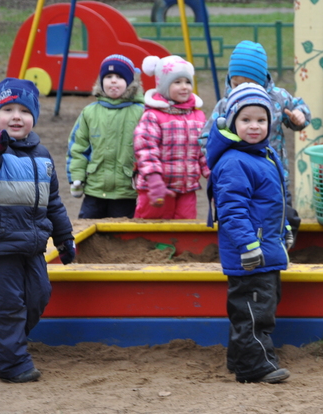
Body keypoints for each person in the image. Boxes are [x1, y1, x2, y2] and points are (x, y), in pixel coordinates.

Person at [0, 78, 75, 383]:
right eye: (8, 109)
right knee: (8, 305)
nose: (16, 116)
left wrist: (65, 238)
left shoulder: (42, 155)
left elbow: (53, 202)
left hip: (31, 244)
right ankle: (11, 364)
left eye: (24, 111)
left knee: (39, 297)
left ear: (34, 118)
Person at [205, 83, 293, 384]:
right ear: (232, 122)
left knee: (257, 306)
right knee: (254, 312)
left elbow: (272, 205)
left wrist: (286, 230)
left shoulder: (263, 155)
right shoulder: (234, 162)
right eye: (246, 120)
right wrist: (248, 245)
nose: (254, 126)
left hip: (266, 248)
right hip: (250, 254)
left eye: (261, 120)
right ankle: (256, 367)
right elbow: (232, 211)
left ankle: (239, 360)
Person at [200, 40, 311, 237]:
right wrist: (217, 162)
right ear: (229, 80)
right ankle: (251, 250)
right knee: (247, 217)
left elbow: (299, 109)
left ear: (262, 81)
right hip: (240, 177)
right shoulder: (226, 105)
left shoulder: (278, 98)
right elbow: (206, 138)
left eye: (250, 84)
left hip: (275, 175)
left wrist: (299, 116)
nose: (242, 90)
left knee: (283, 216)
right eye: (236, 84)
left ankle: (282, 247)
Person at [66, 54, 145, 219]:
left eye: (119, 77)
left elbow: (148, 149)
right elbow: (78, 147)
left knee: (121, 236)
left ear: (131, 83)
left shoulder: (141, 112)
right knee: (86, 230)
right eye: (108, 77)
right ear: (101, 82)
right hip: (95, 187)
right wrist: (76, 177)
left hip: (126, 190)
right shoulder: (90, 112)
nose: (113, 81)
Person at [133, 55, 210, 219]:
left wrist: (213, 175)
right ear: (164, 86)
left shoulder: (198, 116)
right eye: (177, 82)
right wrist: (154, 180)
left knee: (186, 231)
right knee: (152, 231)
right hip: (157, 189)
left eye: (188, 82)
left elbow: (204, 151)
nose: (184, 87)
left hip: (187, 189)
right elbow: (145, 149)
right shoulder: (152, 116)